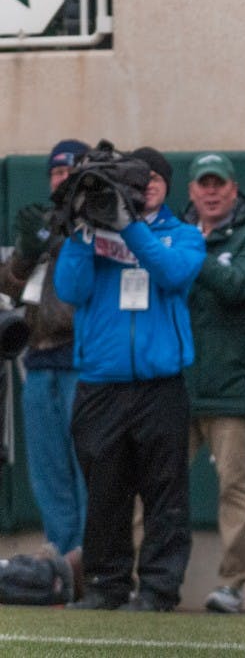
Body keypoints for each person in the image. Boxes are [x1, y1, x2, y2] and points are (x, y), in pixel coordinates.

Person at [54, 144, 205, 611]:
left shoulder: (183, 235)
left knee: (165, 492)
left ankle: (159, 588)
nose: (145, 190)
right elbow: (69, 289)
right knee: (105, 493)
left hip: (160, 387)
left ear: (164, 188)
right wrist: (83, 232)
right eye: (136, 185)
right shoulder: (88, 234)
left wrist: (130, 227)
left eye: (153, 182)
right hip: (101, 384)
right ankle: (105, 584)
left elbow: (173, 273)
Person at [181, 152, 245, 614]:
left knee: (234, 487)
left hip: (231, 386)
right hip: (175, 383)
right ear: (192, 191)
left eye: (219, 184)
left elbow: (239, 284)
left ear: (234, 189)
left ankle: (232, 585)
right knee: (154, 487)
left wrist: (189, 252)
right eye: (204, 184)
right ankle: (149, 579)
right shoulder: (174, 235)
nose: (212, 191)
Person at [0, 139, 89, 557]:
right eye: (55, 172)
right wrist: (25, 255)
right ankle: (60, 547)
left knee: (85, 463)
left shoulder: (98, 223)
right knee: (47, 467)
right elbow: (10, 286)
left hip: (81, 358)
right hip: (38, 359)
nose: (61, 179)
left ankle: (88, 554)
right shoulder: (41, 220)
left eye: (69, 171)